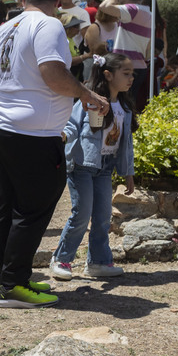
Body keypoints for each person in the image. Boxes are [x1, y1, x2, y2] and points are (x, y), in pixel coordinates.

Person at [0, 0, 109, 309]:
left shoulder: (3, 28)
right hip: (34, 133)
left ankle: (8, 278)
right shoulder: (50, 25)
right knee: (33, 208)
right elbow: (53, 74)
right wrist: (85, 94)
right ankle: (11, 285)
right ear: (56, 1)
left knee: (6, 204)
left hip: (5, 125)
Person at [49, 52, 136, 281]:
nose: (131, 78)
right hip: (82, 164)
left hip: (105, 168)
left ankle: (98, 262)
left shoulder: (124, 108)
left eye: (132, 74)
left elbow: (126, 144)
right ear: (107, 75)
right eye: (126, 73)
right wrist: (63, 136)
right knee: (82, 213)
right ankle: (62, 259)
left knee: (102, 217)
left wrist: (128, 173)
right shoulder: (88, 100)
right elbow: (71, 124)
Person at [97, 0, 153, 111]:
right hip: (138, 66)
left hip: (125, 68)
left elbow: (104, 7)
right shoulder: (147, 11)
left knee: (118, 108)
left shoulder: (132, 10)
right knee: (126, 107)